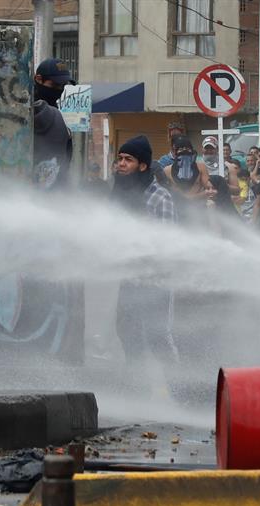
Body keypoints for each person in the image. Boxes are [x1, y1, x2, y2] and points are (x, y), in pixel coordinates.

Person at [110, 135, 180, 378]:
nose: (121, 163)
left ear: (143, 166)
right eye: (119, 158)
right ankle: (136, 384)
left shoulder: (159, 197)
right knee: (126, 330)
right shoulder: (120, 195)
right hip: (129, 278)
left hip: (155, 281)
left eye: (128, 159)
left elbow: (168, 244)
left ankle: (179, 388)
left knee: (157, 335)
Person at [32, 59, 73, 191]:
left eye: (62, 86)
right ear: (38, 79)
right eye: (55, 85)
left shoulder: (57, 114)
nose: (59, 90)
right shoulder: (27, 108)